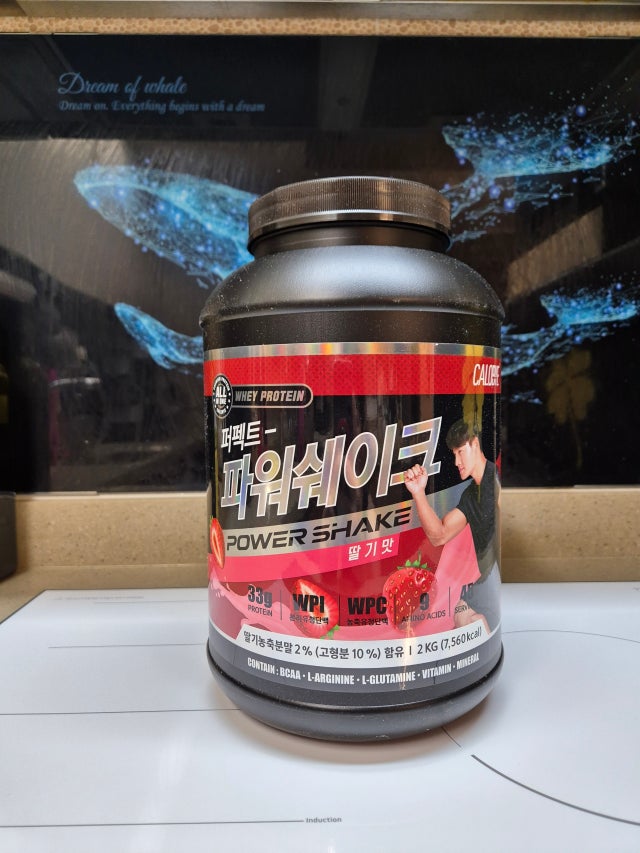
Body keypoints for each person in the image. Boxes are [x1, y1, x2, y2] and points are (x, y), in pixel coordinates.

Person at [404, 419, 500, 632]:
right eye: (454, 454)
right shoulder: (471, 494)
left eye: (460, 451)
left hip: (493, 584)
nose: (456, 461)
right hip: (483, 586)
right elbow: (439, 535)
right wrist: (418, 493)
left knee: (469, 618)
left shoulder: (496, 481)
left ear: (475, 444)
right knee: (461, 612)